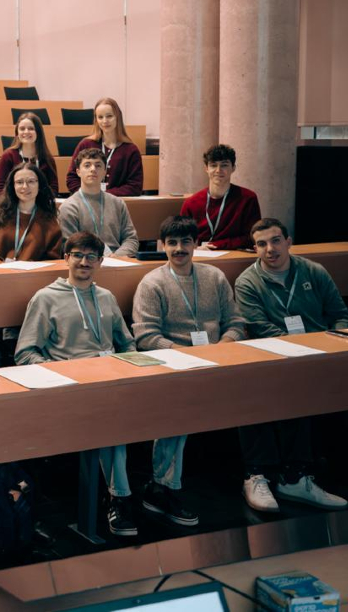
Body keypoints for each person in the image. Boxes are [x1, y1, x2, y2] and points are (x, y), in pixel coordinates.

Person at [15, 231, 139, 536]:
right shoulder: (46, 298)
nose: (84, 262)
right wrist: (61, 372)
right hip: (70, 385)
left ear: (100, 261)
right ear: (66, 258)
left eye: (91, 257)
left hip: (110, 380)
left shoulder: (106, 297)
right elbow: (25, 353)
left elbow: (127, 343)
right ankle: (120, 499)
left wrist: (127, 366)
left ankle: (159, 489)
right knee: (112, 422)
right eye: (78, 255)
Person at [130, 216, 246, 526]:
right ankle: (163, 487)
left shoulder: (214, 277)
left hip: (218, 357)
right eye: (172, 243)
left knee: (262, 388)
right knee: (177, 406)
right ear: (162, 246)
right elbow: (146, 336)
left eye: (185, 242)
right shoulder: (152, 283)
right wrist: (185, 355)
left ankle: (264, 474)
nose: (179, 249)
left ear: (196, 244)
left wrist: (223, 346)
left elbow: (235, 322)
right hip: (174, 363)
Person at [232, 217, 348, 512]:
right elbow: (260, 329)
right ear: (255, 248)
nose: (270, 249)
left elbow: (340, 315)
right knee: (269, 387)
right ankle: (274, 474)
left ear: (288, 241)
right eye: (261, 244)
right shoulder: (247, 282)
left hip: (323, 355)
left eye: (275, 241)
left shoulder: (313, 271)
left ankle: (301, 477)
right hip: (274, 357)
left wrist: (334, 347)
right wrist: (303, 351)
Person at [0, 163, 62, 264]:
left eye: (31, 181)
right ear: (12, 186)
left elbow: (52, 259)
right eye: (19, 182)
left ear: (39, 185)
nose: (25, 186)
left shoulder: (49, 222)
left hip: (32, 273)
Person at [180, 144, 262, 250]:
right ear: (206, 168)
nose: (218, 170)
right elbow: (182, 237)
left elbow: (253, 237)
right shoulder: (191, 203)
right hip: (199, 254)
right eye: (213, 165)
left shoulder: (248, 198)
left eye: (224, 165)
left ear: (233, 168)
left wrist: (217, 245)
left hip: (233, 255)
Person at [59, 148, 139, 257]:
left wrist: (116, 257)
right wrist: (95, 259)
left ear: (105, 171)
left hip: (117, 260)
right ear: (78, 172)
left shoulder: (118, 203)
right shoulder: (68, 207)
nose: (93, 169)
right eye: (87, 165)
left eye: (98, 165)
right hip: (85, 262)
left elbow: (131, 239)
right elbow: (69, 246)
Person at [65, 97, 143, 196]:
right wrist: (89, 195)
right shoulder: (85, 145)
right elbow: (72, 179)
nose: (105, 121)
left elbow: (135, 187)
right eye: (100, 117)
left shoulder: (131, 150)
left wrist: (103, 196)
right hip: (87, 201)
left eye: (109, 116)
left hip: (117, 202)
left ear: (118, 117)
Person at [0, 112, 58, 196]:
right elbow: (1, 189)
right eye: (22, 129)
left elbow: (53, 189)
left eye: (31, 128)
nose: (26, 132)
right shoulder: (8, 156)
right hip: (13, 202)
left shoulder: (48, 159)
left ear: (38, 132)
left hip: (40, 203)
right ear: (17, 133)